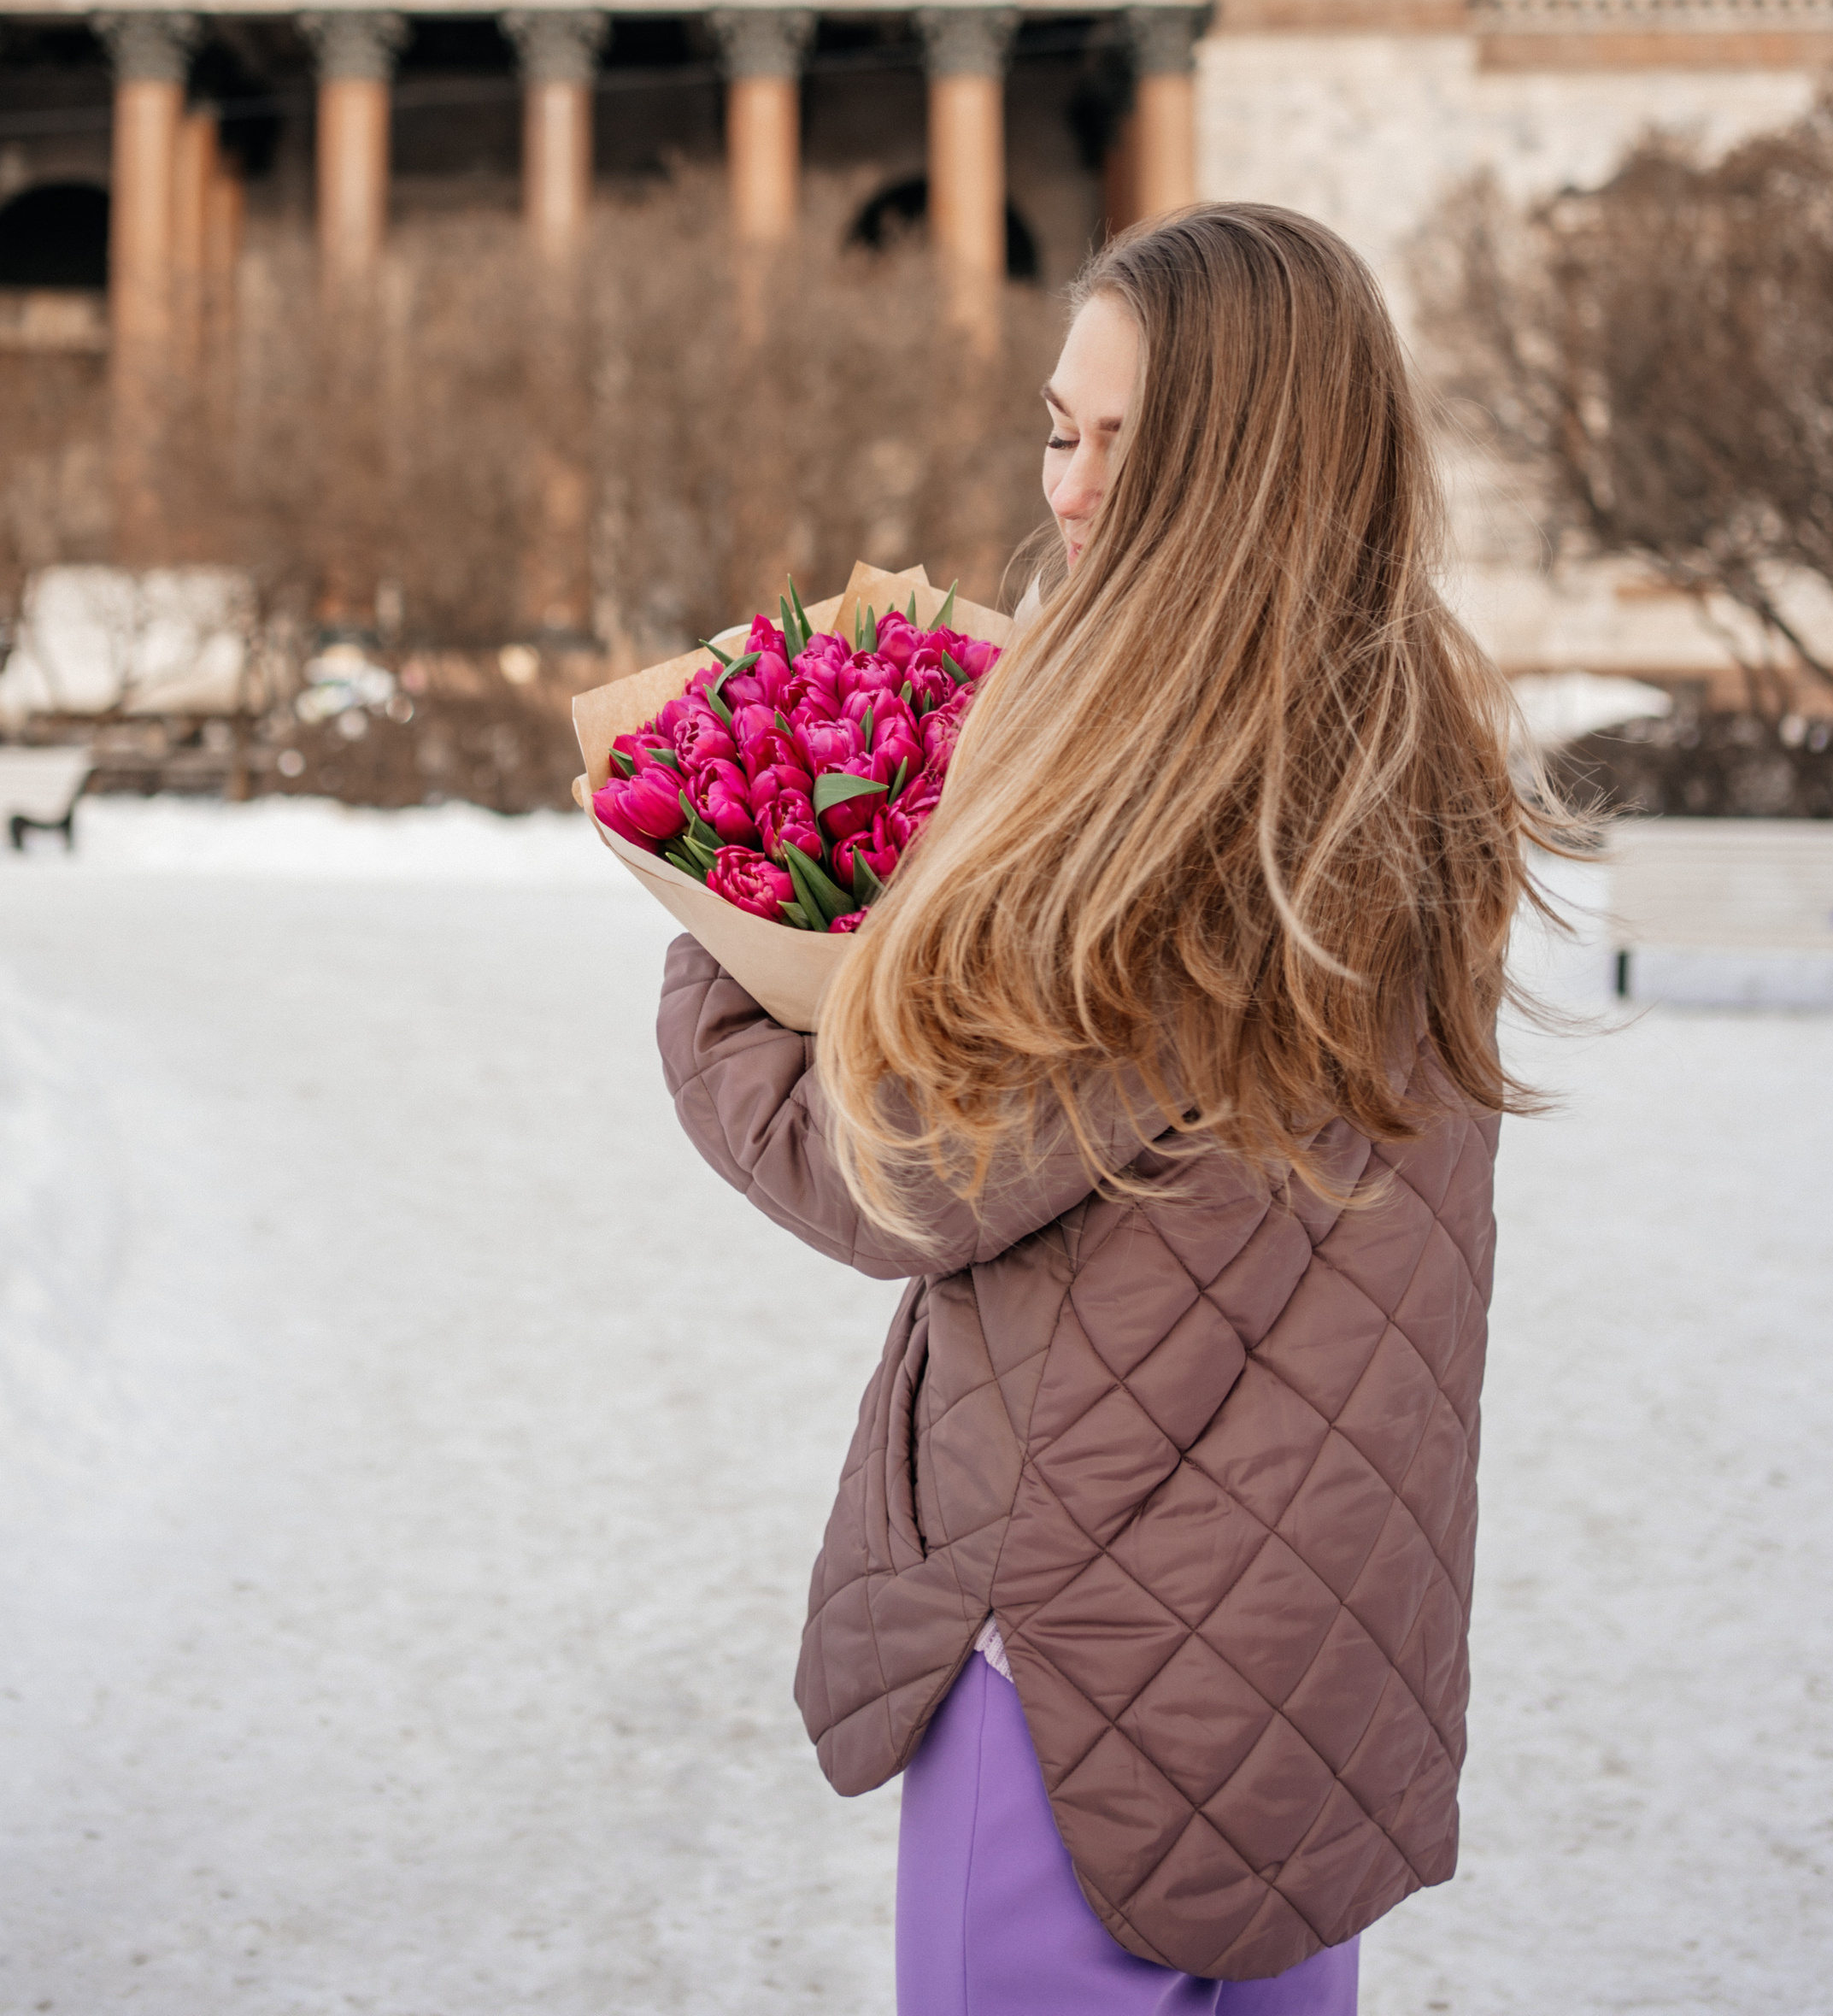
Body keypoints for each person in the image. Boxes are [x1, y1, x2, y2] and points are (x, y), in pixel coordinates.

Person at [660, 203, 1568, 2014]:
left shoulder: (1160, 805)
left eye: (1122, 445)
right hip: (1316, 1654)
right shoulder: (1409, 751)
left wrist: (718, 945)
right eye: (1057, 432)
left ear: (1241, 466)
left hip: (1082, 1673)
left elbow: (897, 1174)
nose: (1067, 491)